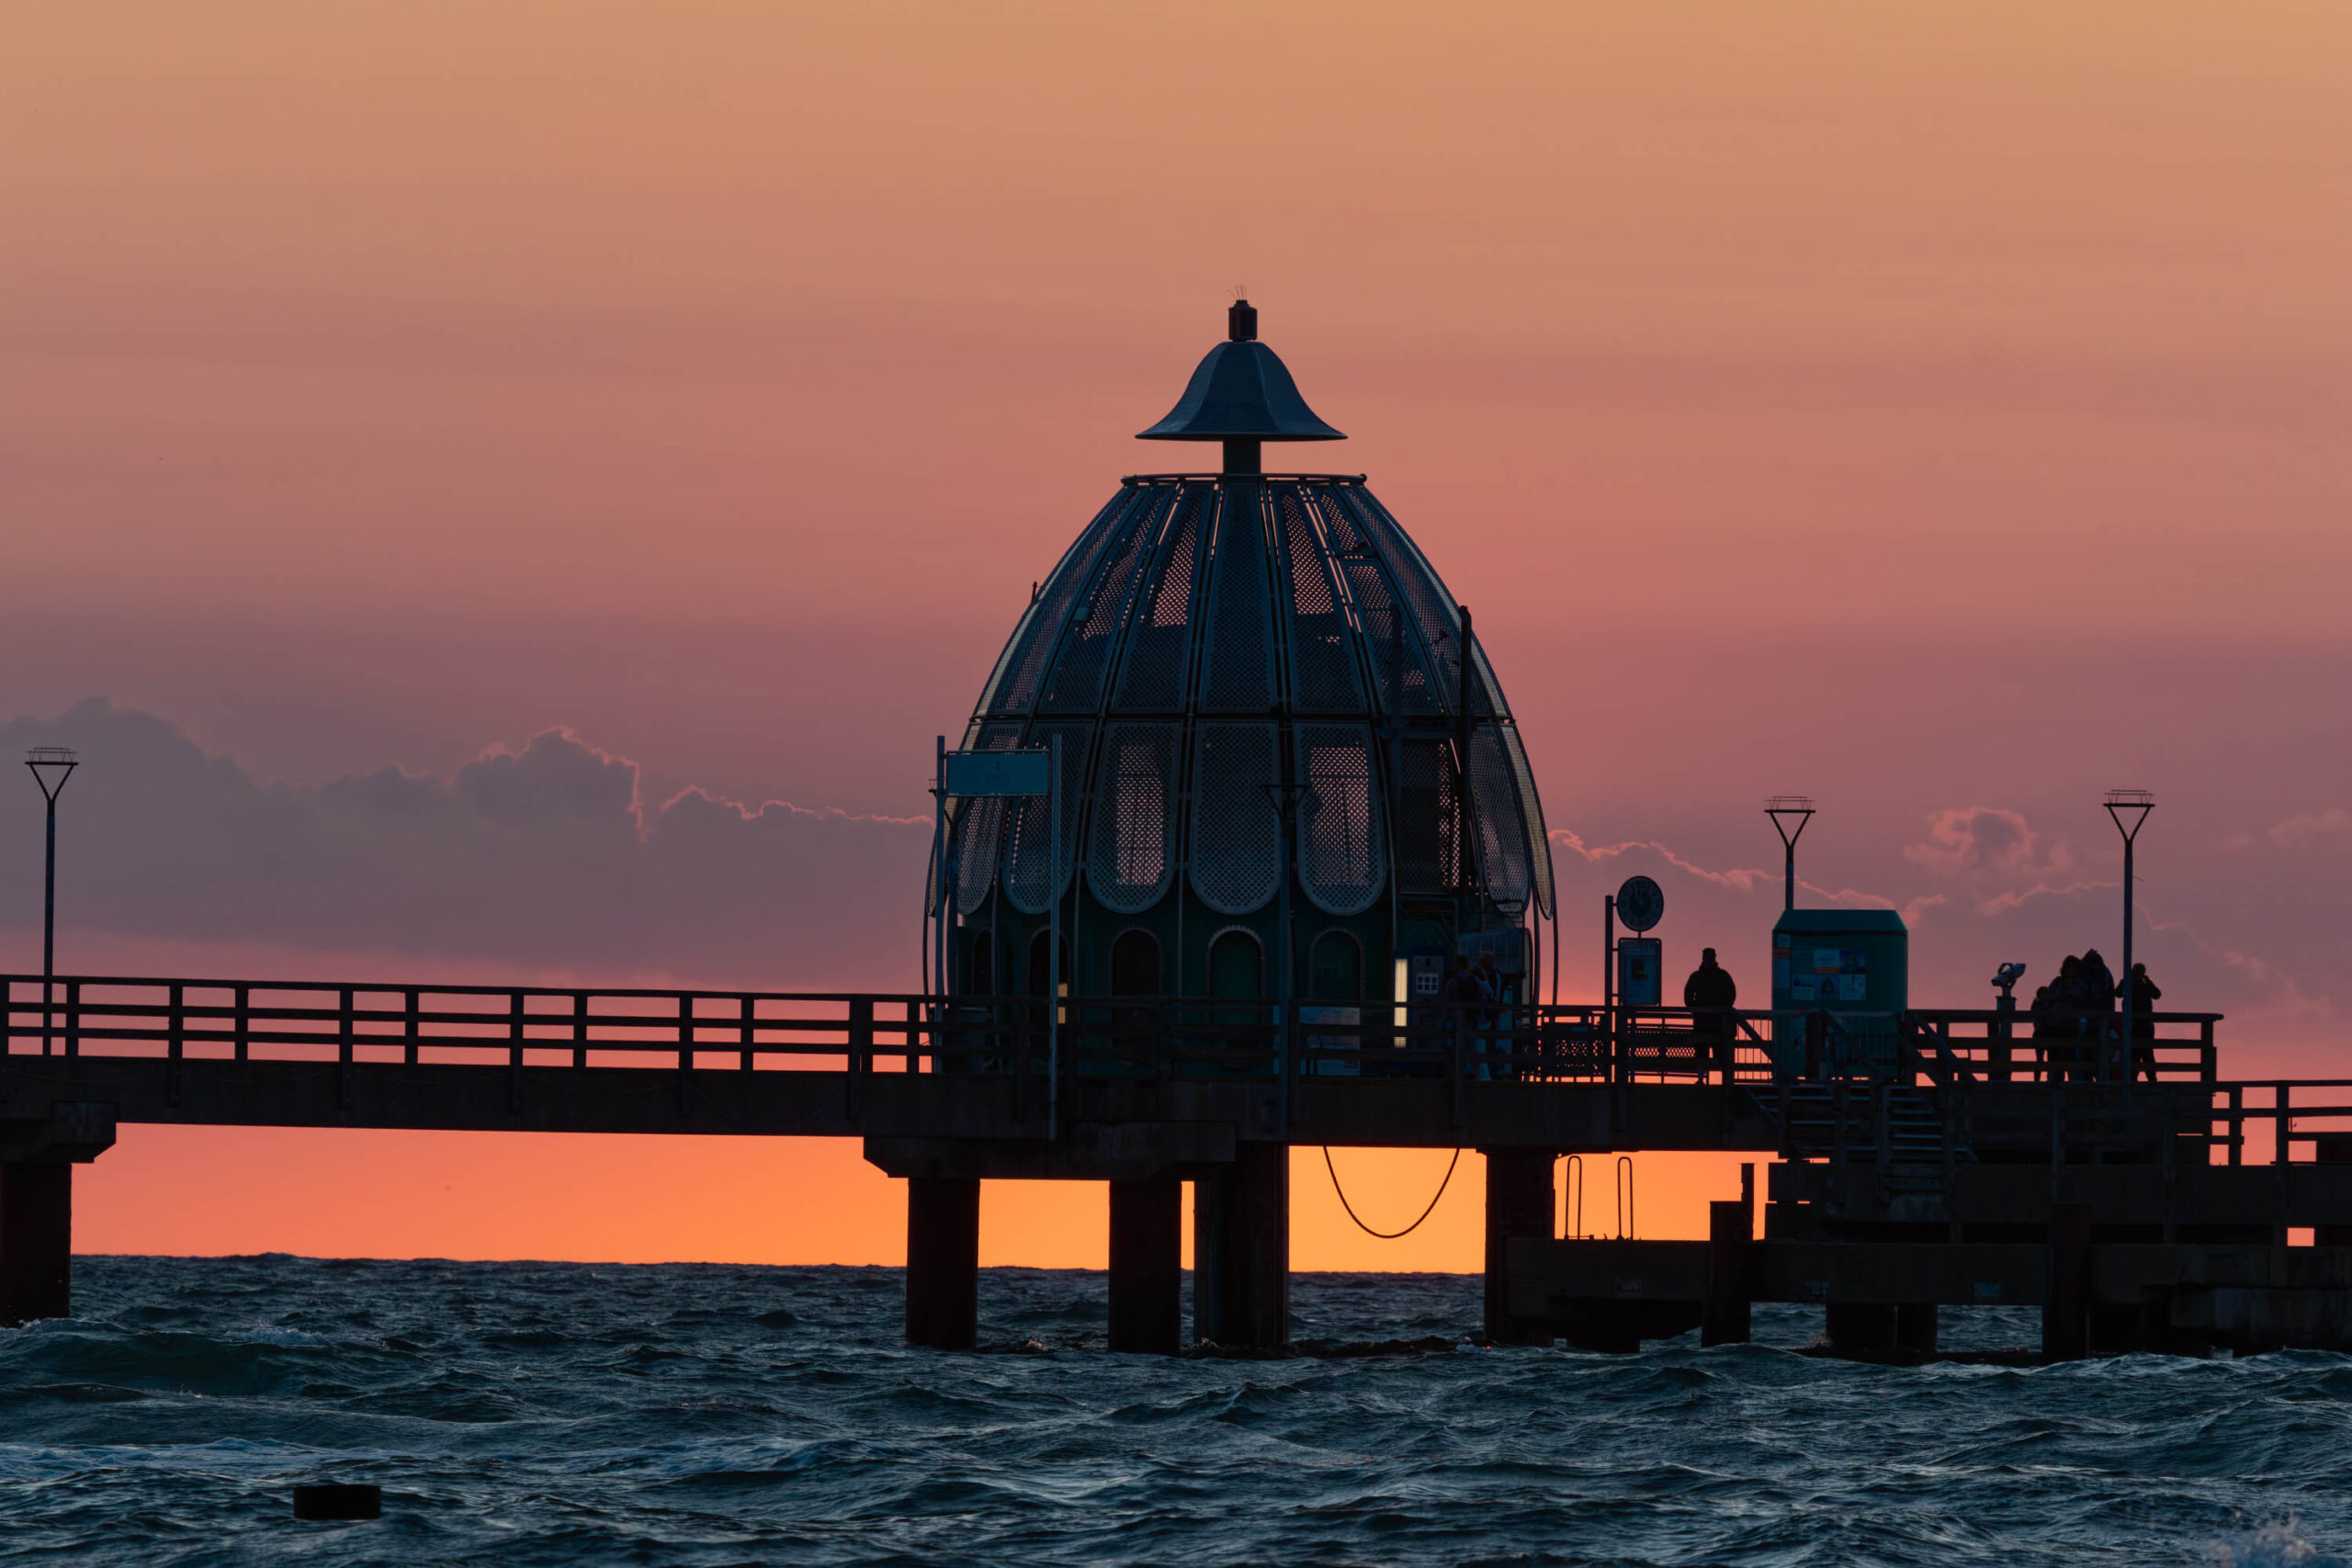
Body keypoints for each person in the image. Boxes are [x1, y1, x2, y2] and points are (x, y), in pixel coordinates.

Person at [1683, 949, 1737, 1077]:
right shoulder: (1696, 976)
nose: (1709, 960)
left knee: (1719, 1050)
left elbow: (1731, 993)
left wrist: (1723, 1009)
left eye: (1711, 957)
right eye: (1707, 957)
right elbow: (1688, 994)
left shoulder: (1722, 975)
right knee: (1701, 1049)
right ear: (1703, 958)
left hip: (1717, 1020)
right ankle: (1702, 1077)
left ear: (1715, 959)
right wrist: (1694, 1009)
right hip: (1702, 1020)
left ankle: (1724, 1078)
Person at [2123, 963, 2162, 1079]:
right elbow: (2118, 992)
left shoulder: (2144, 985)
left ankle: (2149, 1080)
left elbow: (2157, 994)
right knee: (2137, 1055)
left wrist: (2148, 981)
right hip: (2134, 1026)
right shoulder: (2129, 984)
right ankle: (2136, 1080)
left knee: (2146, 1054)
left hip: (2144, 1026)